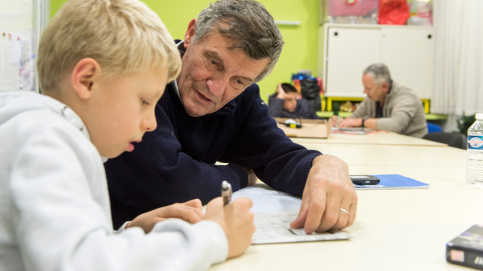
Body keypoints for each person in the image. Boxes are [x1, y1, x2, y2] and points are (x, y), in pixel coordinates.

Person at [0, 0, 255, 270]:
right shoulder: (45, 142)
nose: (152, 124)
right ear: (87, 80)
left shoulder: (43, 134)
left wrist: (129, 231)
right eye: (145, 102)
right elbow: (80, 265)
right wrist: (214, 236)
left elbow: (50, 251)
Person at [105, 0, 358, 234]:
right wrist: (240, 175)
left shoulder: (242, 97)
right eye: (214, 62)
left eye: (239, 80)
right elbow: (165, 182)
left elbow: (278, 155)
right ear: (191, 34)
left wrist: (325, 164)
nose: (216, 89)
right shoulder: (143, 73)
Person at [337, 63, 427, 138]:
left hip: (412, 150)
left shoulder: (406, 96)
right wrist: (342, 122)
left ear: (384, 87)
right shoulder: (372, 97)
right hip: (386, 147)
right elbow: (355, 117)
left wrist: (363, 122)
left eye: (368, 88)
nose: (364, 92)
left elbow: (396, 125)